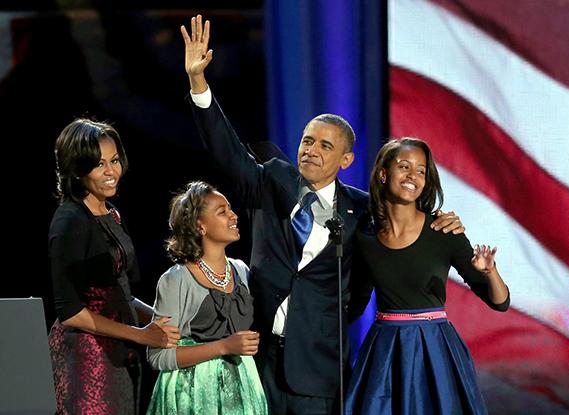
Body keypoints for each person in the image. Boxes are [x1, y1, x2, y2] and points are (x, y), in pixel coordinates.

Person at [180, 16, 464, 414]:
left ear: (346, 159)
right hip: (255, 358)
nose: (311, 150)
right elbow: (226, 151)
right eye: (307, 140)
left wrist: (441, 223)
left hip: (319, 367)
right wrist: (199, 84)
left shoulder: (363, 208)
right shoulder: (272, 181)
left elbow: (382, 256)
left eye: (325, 146)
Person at [345, 138, 510, 414]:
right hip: (385, 353)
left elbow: (499, 302)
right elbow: (356, 303)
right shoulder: (364, 237)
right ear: (384, 174)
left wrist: (491, 272)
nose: (413, 176)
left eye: (421, 171)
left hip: (435, 349)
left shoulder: (443, 231)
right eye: (404, 166)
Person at [48, 118, 181, 415]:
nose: (111, 172)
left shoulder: (111, 214)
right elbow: (70, 313)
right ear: (77, 168)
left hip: (120, 354)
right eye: (99, 165)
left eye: (115, 160)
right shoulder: (69, 221)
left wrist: (165, 321)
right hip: (86, 359)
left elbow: (121, 293)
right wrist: (141, 335)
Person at [146, 181, 268, 414]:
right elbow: (158, 356)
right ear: (200, 226)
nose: (233, 216)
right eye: (222, 212)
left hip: (242, 389)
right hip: (193, 393)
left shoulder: (241, 271)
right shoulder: (176, 280)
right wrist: (224, 346)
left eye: (230, 209)